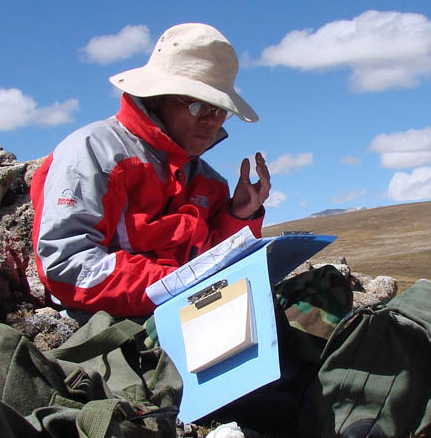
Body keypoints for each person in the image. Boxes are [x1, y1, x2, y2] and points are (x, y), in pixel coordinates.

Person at [30, 23, 272, 320]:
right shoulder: (94, 152)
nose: (211, 121)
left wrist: (239, 217)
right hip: (121, 323)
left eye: (220, 110)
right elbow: (67, 265)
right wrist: (178, 287)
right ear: (157, 98)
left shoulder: (209, 183)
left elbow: (215, 264)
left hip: (192, 314)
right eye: (198, 106)